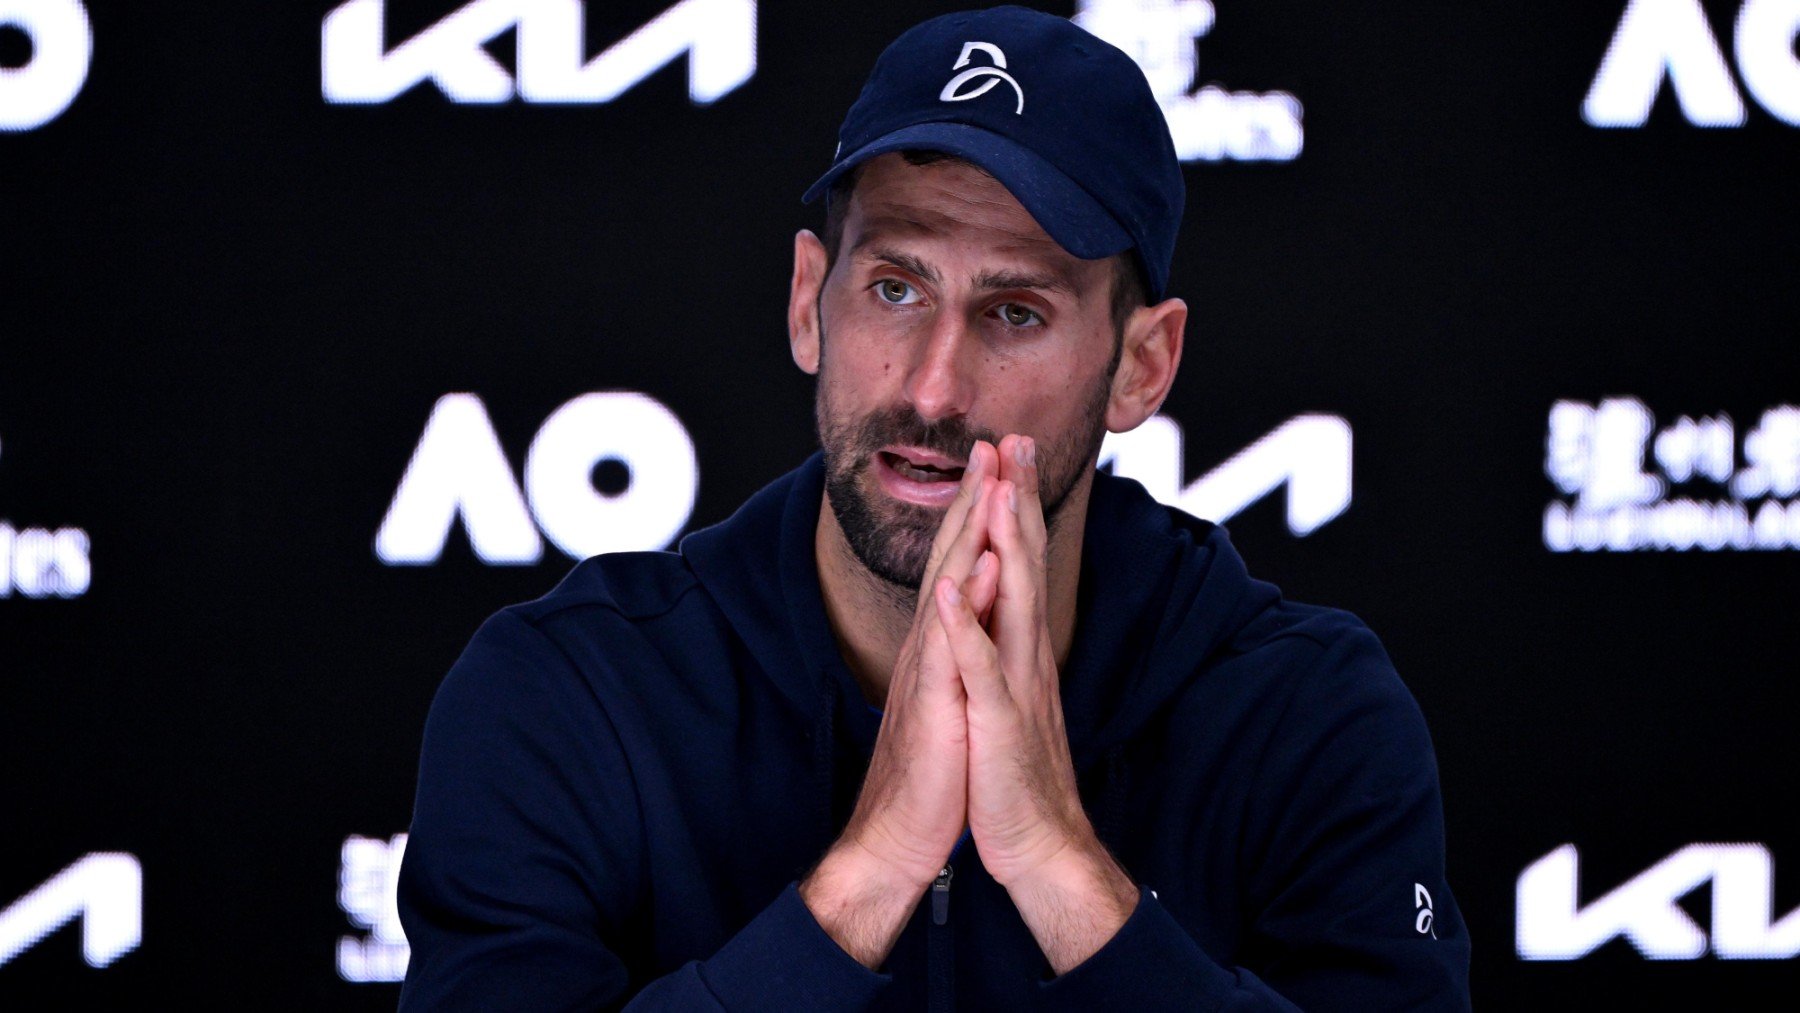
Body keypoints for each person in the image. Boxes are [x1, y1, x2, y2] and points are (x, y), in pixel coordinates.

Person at [396, 6, 1471, 1009]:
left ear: (1144, 365)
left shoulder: (1305, 715)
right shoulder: (569, 694)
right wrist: (871, 872)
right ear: (809, 299)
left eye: (1014, 310)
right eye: (895, 288)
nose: (931, 388)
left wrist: (1060, 866)